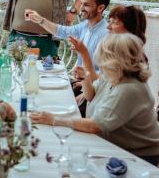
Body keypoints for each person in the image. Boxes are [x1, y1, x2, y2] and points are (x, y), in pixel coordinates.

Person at [31, 33, 159, 165]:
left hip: (137, 156)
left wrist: (53, 119)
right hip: (112, 145)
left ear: (116, 61)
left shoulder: (128, 89)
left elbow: (94, 126)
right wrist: (85, 79)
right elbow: (91, 96)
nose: (101, 63)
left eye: (104, 58)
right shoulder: (116, 75)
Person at [25, 0, 110, 71]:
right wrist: (40, 20)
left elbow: (105, 75)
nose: (81, 8)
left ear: (100, 8)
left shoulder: (106, 35)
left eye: (86, 5)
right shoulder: (85, 25)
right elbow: (63, 31)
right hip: (80, 76)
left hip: (89, 79)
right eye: (81, 4)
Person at [69, 4, 147, 83]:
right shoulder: (115, 49)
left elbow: (102, 83)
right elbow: (102, 82)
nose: (108, 27)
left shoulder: (127, 58)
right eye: (110, 21)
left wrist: (84, 53)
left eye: (115, 23)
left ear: (131, 29)